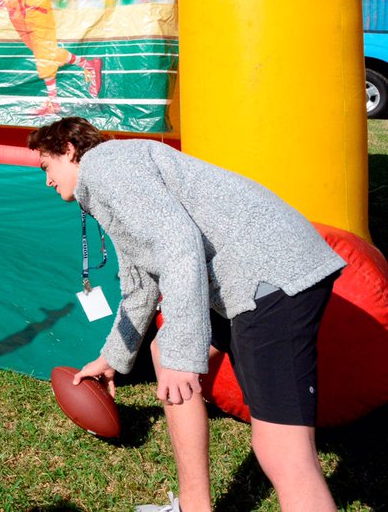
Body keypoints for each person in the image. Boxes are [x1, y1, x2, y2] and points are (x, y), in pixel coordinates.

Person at [27, 117, 345, 512]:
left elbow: (179, 245)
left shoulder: (109, 166)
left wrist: (184, 354)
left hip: (273, 277)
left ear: (69, 149)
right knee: (163, 353)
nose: (47, 181)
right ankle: (195, 507)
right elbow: (141, 284)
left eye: (46, 167)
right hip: (256, 276)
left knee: (282, 451)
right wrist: (113, 358)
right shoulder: (111, 181)